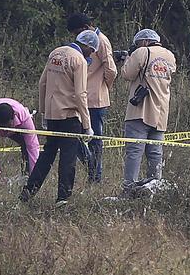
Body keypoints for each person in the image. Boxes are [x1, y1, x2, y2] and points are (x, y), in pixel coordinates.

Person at [20, 30, 97, 206]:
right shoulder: (79, 60)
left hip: (53, 114)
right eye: (91, 50)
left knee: (47, 155)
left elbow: (42, 83)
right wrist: (87, 124)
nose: (91, 54)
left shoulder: (56, 52)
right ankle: (63, 197)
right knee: (68, 158)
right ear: (85, 45)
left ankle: (28, 191)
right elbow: (80, 94)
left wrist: (44, 112)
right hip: (70, 115)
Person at [120, 28, 176, 193]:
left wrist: (129, 57)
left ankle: (129, 190)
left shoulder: (142, 52)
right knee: (155, 154)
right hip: (161, 112)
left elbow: (127, 74)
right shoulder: (169, 56)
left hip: (140, 111)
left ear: (143, 41)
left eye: (136, 44)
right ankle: (154, 188)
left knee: (134, 153)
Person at [66, 12, 117, 181]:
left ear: (86, 28)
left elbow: (111, 70)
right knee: (75, 136)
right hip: (80, 96)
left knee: (95, 139)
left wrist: (102, 88)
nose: (76, 37)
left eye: (77, 33)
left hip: (95, 99)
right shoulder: (83, 44)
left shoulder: (101, 41)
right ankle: (91, 167)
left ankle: (96, 176)